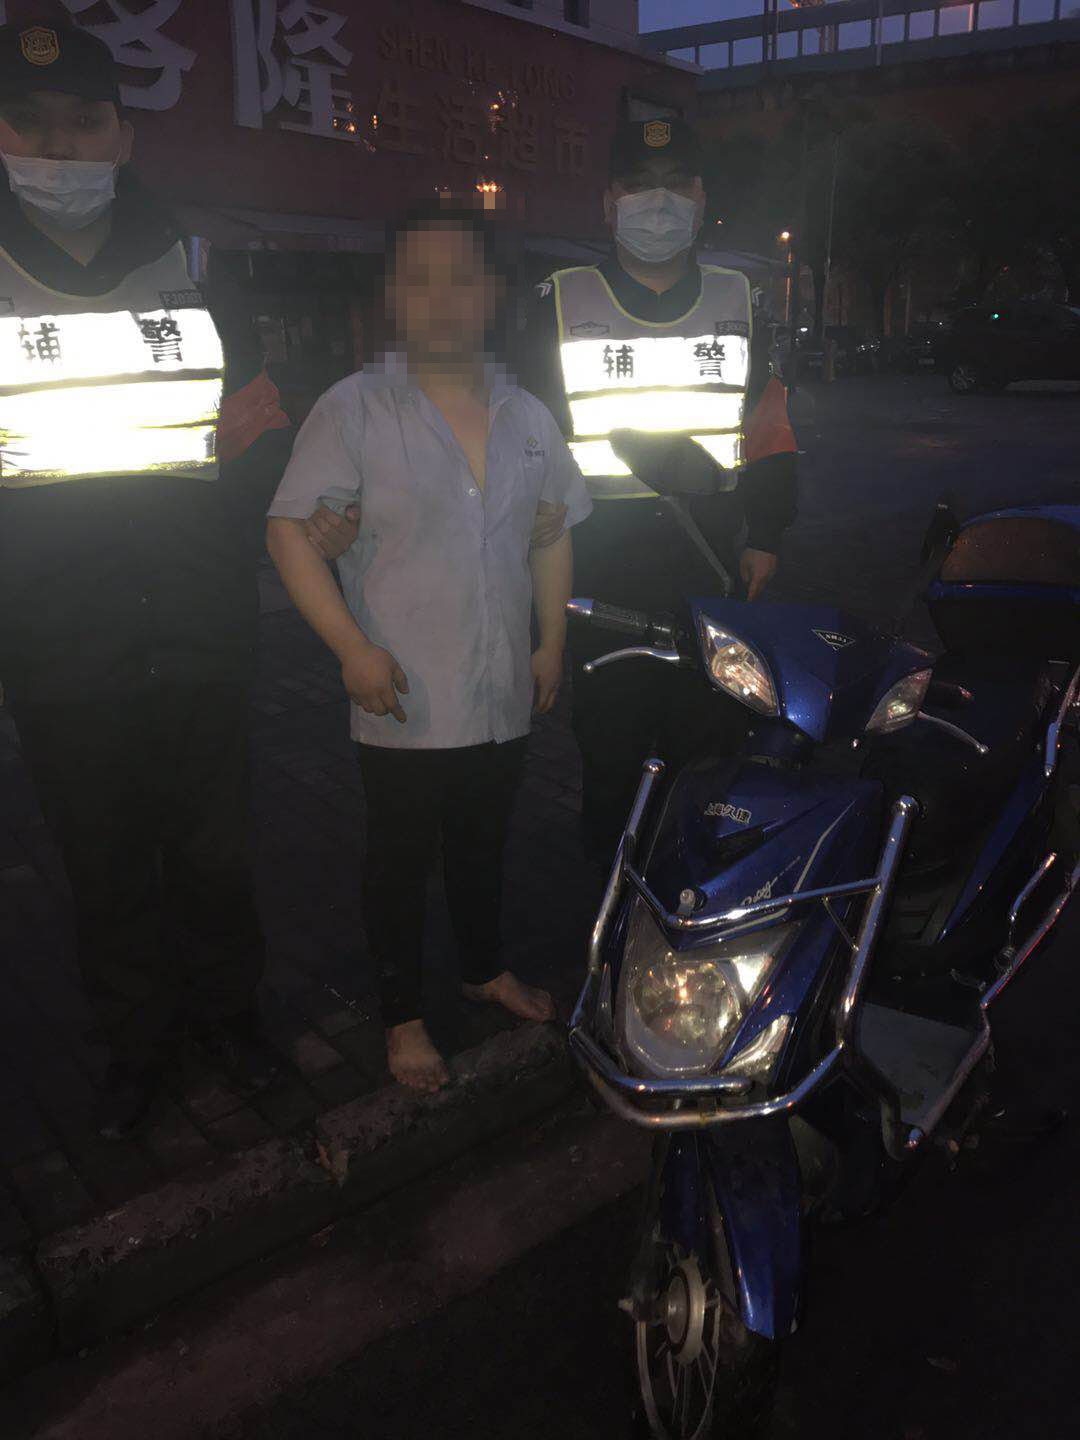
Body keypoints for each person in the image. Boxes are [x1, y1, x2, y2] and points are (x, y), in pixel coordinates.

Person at [0, 15, 295, 1138]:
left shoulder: (197, 269)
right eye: (31, 122)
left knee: (217, 855)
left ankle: (231, 1017)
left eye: (84, 122)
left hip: (197, 627)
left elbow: (257, 444)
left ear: (123, 136)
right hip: (56, 644)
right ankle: (137, 1046)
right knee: (104, 861)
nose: (59, 147)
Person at [266, 204, 591, 1094]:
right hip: (401, 689)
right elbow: (289, 531)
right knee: (400, 862)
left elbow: (553, 531)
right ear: (392, 297)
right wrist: (349, 648)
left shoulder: (527, 414)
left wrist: (552, 640)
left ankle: (483, 969)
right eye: (418, 280)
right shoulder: (355, 408)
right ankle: (402, 1016)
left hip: (501, 686)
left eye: (461, 278)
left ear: (492, 293)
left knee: (486, 842)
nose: (440, 298)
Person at [516, 117, 799, 867]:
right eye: (639, 185)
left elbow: (769, 430)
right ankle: (610, 905)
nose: (659, 201)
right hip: (597, 572)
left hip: (709, 568)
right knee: (609, 758)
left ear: (702, 199)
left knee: (703, 752)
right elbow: (523, 434)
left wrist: (767, 534)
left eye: (676, 185)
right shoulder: (556, 300)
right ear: (608, 201)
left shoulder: (740, 297)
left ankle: (685, 896)